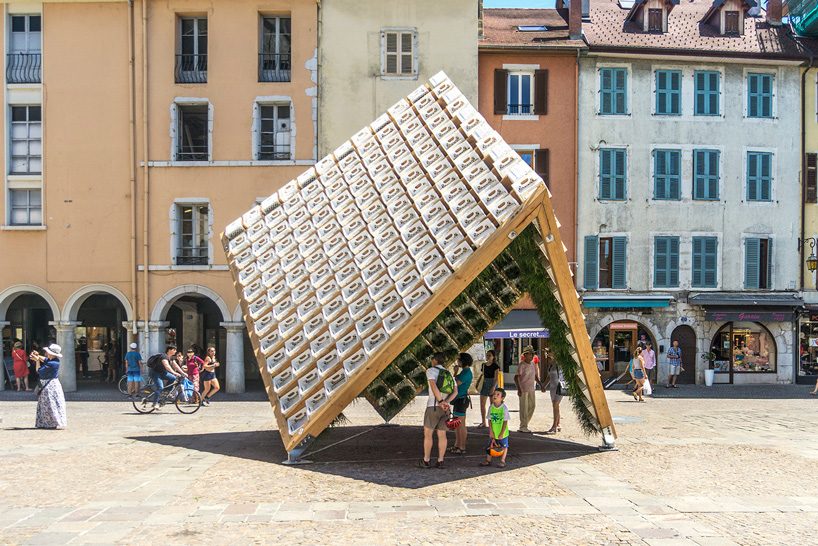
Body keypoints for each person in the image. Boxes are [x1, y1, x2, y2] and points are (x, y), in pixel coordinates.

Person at [420, 352, 457, 469]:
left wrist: (440, 401)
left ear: (434, 360)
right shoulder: (449, 373)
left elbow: (433, 386)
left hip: (433, 406)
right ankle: (440, 460)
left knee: (428, 434)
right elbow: (455, 391)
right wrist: (446, 402)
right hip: (446, 409)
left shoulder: (430, 371)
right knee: (442, 435)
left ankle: (426, 460)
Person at [29, 344, 67, 429]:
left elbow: (39, 371)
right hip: (51, 384)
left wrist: (37, 360)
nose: (46, 353)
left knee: (49, 404)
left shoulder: (53, 363)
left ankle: (51, 423)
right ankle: (48, 422)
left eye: (48, 352)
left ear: (52, 354)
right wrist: (37, 356)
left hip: (49, 385)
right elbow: (45, 359)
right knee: (48, 404)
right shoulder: (54, 360)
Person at [449, 352, 473, 455]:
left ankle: (462, 446)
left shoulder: (466, 373)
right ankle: (457, 445)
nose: (457, 361)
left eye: (459, 359)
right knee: (457, 424)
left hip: (461, 400)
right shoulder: (464, 371)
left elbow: (455, 384)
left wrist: (454, 373)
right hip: (459, 400)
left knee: (461, 425)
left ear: (463, 361)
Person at [148, 345, 185, 411]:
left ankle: (166, 392)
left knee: (173, 378)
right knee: (160, 387)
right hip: (155, 373)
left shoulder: (171, 357)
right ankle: (155, 403)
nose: (175, 351)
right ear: (170, 350)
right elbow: (167, 366)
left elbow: (176, 366)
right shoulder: (163, 356)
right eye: (174, 350)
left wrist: (183, 373)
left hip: (162, 372)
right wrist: (174, 373)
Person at [480, 387, 509, 468]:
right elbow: (489, 420)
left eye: (498, 394)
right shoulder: (491, 407)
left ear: (502, 398)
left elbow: (505, 422)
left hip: (503, 433)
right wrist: (491, 431)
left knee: (504, 446)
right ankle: (488, 460)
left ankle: (503, 460)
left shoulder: (504, 408)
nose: (495, 396)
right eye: (494, 394)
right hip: (494, 432)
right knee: (490, 446)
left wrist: (502, 433)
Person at [514, 345, 539, 433]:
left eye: (532, 354)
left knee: (532, 406)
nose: (532, 356)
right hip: (523, 389)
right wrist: (519, 389)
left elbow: (535, 376)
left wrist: (541, 385)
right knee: (524, 408)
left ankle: (524, 423)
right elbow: (516, 377)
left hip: (531, 388)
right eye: (530, 354)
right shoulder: (522, 365)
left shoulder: (532, 364)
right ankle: (523, 426)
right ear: (525, 355)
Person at [478, 350, 500, 427]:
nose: (488, 357)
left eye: (489, 355)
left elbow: (496, 378)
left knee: (492, 405)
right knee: (482, 404)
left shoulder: (495, 366)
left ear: (493, 357)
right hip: (484, 384)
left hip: (492, 384)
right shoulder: (483, 365)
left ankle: (493, 422)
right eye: (487, 355)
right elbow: (482, 375)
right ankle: (483, 422)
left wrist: (493, 387)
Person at [543, 353, 563, 434]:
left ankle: (554, 426)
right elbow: (549, 377)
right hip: (552, 388)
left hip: (559, 387)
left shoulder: (559, 364)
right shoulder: (550, 366)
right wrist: (543, 386)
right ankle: (558, 424)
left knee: (555, 404)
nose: (548, 359)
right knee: (556, 406)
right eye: (548, 358)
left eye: (549, 357)